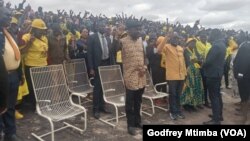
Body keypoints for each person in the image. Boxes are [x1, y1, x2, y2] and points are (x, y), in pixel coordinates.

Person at [0, 6, 23, 141]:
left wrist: (20, 75)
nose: (10, 16)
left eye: (10, 14)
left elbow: (17, 54)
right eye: (6, 14)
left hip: (13, 76)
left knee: (10, 106)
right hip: (1, 77)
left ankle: (10, 133)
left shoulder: (9, 33)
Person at [120, 20, 146, 135]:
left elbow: (144, 56)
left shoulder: (141, 40)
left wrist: (145, 66)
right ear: (129, 30)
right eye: (137, 29)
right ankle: (130, 125)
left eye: (140, 29)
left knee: (138, 101)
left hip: (141, 76)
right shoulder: (122, 42)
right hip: (130, 77)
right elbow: (113, 55)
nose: (139, 31)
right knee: (130, 103)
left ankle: (137, 121)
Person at [19, 19, 48, 111]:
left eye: (43, 30)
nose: (42, 31)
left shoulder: (44, 38)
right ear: (34, 29)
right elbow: (21, 51)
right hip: (31, 66)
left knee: (42, 86)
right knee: (32, 87)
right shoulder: (26, 37)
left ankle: (41, 104)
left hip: (43, 65)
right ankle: (34, 105)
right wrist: (29, 43)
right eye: (40, 30)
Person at [157, 32, 187, 120]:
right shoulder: (167, 47)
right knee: (173, 95)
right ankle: (173, 112)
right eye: (174, 38)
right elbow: (158, 50)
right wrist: (166, 37)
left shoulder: (180, 48)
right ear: (171, 39)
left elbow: (183, 62)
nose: (176, 39)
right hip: (172, 77)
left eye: (177, 38)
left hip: (181, 76)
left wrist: (185, 74)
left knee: (178, 94)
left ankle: (178, 111)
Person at [87, 22, 112, 119]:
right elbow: (89, 54)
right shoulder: (92, 37)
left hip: (106, 63)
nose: (103, 28)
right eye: (101, 26)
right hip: (97, 65)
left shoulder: (107, 38)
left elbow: (109, 52)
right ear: (97, 27)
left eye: (104, 26)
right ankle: (95, 109)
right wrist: (91, 68)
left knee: (103, 87)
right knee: (97, 88)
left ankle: (102, 106)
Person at [203, 29, 226, 125]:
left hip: (212, 74)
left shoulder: (216, 46)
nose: (209, 36)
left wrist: (201, 63)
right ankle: (219, 115)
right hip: (218, 73)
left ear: (214, 35)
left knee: (214, 97)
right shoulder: (222, 45)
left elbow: (208, 62)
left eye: (210, 34)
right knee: (217, 95)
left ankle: (216, 120)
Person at [181, 39, 204, 111]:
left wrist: (198, 61)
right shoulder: (185, 51)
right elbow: (184, 62)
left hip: (196, 71)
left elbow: (199, 60)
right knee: (188, 88)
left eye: (195, 43)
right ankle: (186, 104)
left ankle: (192, 103)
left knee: (195, 88)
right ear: (188, 43)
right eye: (192, 43)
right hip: (188, 71)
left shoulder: (195, 51)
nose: (194, 45)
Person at [233, 41, 250, 124]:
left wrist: (240, 74)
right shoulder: (245, 45)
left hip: (244, 76)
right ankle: (242, 110)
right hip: (245, 75)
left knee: (245, 95)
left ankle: (244, 116)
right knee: (244, 95)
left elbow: (245, 62)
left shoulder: (245, 47)